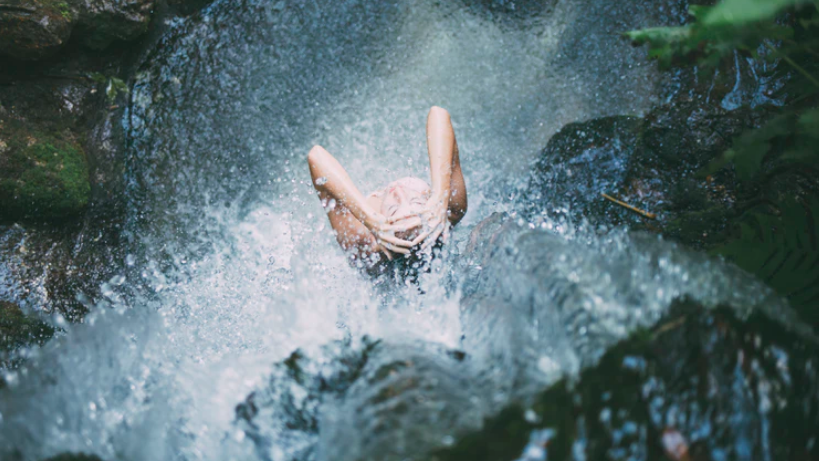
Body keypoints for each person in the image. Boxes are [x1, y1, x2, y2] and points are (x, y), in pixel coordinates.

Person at [307, 106, 467, 267]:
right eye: (415, 202)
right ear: (432, 208)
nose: (398, 192)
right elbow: (438, 114)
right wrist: (440, 195)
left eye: (393, 210)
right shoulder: (449, 211)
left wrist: (369, 219)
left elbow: (316, 156)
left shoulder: (364, 244)